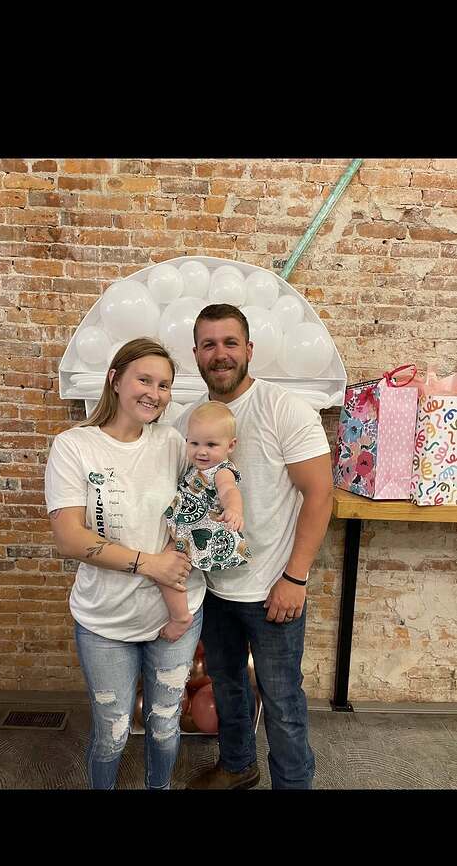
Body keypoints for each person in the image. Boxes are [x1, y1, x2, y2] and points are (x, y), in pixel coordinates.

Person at [175, 304, 333, 790]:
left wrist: (295, 577)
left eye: (230, 343)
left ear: (249, 349)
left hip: (272, 590)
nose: (219, 354)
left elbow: (320, 494)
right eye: (208, 344)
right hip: (213, 589)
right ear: (196, 354)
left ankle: (293, 784)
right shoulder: (188, 422)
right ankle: (238, 766)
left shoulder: (283, 409)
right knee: (227, 688)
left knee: (282, 701)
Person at [44, 338, 205, 790]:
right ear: (115, 379)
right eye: (144, 380)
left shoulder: (173, 443)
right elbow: (70, 537)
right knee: (112, 733)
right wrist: (150, 564)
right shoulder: (74, 446)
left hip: (174, 615)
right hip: (104, 620)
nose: (155, 393)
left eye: (164, 385)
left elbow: (203, 499)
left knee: (165, 725)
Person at [160, 401, 251, 642]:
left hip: (199, 531)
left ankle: (180, 617)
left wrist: (234, 509)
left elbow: (229, 490)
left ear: (231, 445)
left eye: (211, 445)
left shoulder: (221, 471)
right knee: (169, 568)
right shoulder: (195, 467)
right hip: (187, 527)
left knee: (167, 570)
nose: (201, 451)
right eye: (194, 443)